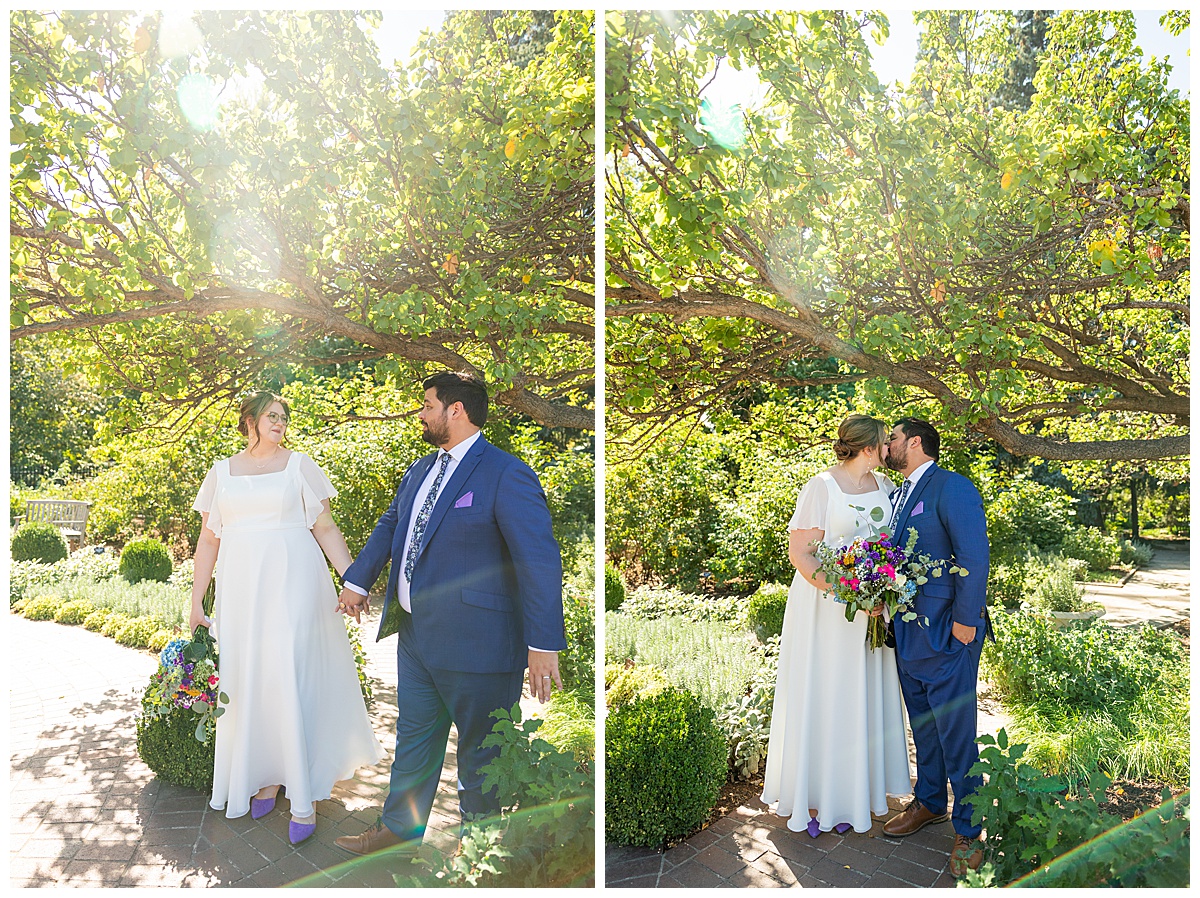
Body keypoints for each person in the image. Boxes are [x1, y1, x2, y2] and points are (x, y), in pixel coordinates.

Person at [332, 371, 566, 859]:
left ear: (455, 410)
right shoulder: (420, 470)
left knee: (480, 757)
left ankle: (477, 855)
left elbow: (539, 560)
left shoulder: (506, 473)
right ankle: (398, 832)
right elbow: (391, 524)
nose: (421, 414)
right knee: (414, 743)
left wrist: (543, 645)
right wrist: (357, 580)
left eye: (427, 404)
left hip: (481, 644)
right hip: (416, 638)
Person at [190, 391, 385, 845]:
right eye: (271, 416)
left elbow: (326, 528)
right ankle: (266, 776)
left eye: (283, 417)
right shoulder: (221, 472)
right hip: (241, 593)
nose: (279, 423)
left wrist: (353, 582)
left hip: (295, 585)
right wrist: (197, 599)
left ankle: (304, 793)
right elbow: (209, 542)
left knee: (291, 676)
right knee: (252, 680)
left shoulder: (300, 466)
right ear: (250, 421)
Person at [761, 414, 912, 837]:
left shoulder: (885, 487)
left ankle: (859, 792)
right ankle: (818, 795)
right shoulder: (820, 486)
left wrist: (881, 589)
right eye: (885, 442)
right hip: (827, 609)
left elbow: (891, 546)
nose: (890, 449)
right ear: (869, 448)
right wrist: (850, 592)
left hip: (872, 611)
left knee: (863, 692)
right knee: (827, 692)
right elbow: (802, 555)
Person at [881, 417, 991, 876]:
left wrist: (966, 625)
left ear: (916, 443)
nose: (887, 445)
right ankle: (929, 803)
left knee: (956, 732)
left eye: (893, 439)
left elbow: (973, 555)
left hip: (949, 633)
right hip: (907, 633)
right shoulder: (896, 496)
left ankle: (970, 829)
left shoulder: (953, 487)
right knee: (924, 726)